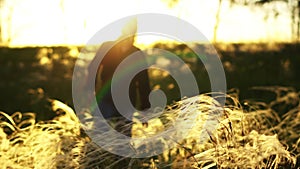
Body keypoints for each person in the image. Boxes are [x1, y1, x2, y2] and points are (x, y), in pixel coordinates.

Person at [87, 19, 151, 137]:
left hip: (126, 104)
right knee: (100, 138)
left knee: (123, 143)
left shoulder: (137, 54)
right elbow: (93, 68)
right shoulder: (107, 47)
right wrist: (90, 91)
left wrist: (144, 110)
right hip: (105, 100)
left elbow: (143, 83)